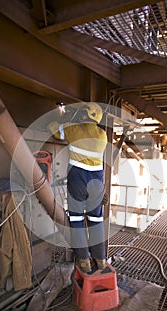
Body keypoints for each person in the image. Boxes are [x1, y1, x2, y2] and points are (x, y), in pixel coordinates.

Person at [47, 102, 107, 273]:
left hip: (78, 181)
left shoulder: (73, 130)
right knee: (96, 222)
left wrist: (63, 117)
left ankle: (84, 260)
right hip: (96, 184)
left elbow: (53, 129)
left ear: (84, 115)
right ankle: (100, 259)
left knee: (77, 221)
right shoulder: (102, 135)